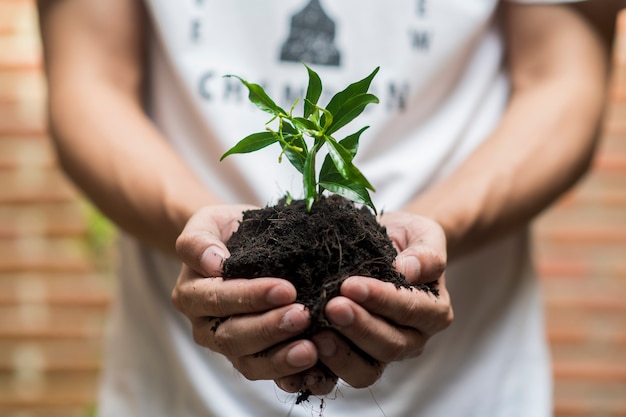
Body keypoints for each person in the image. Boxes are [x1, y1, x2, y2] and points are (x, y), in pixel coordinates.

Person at [36, 1, 612, 416]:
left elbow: (561, 77)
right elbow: (91, 80)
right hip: (179, 390)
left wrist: (433, 236)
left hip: (465, 390)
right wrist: (213, 245)